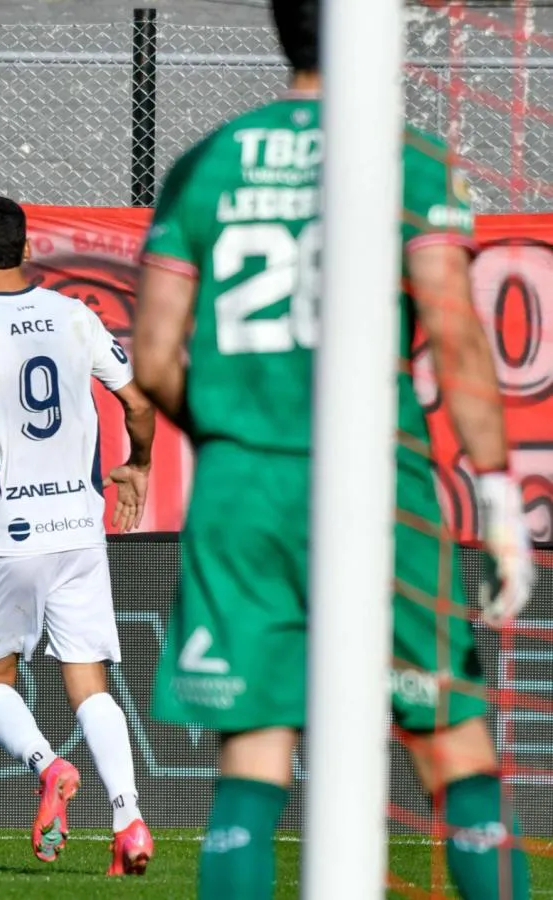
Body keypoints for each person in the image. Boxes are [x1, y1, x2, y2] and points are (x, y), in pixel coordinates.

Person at [131, 2, 534, 898]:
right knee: (450, 744)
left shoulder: (208, 161)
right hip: (378, 484)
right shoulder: (404, 157)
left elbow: (152, 357)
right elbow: (454, 334)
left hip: (241, 488)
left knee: (254, 752)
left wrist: (238, 436)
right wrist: (498, 493)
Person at [0, 195, 157, 876]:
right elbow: (137, 404)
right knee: (89, 680)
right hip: (79, 530)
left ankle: (48, 766)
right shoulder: (75, 315)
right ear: (25, 246)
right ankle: (128, 818)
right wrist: (138, 465)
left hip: (8, 532)